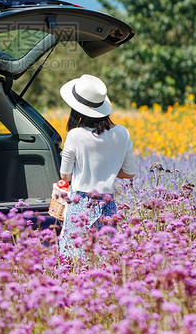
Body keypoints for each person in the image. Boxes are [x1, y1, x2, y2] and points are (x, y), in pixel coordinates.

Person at [57, 74, 136, 259]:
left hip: (80, 204)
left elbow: (65, 176)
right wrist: (107, 171)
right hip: (108, 205)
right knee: (104, 260)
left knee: (75, 259)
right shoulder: (123, 133)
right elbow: (129, 173)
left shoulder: (75, 135)